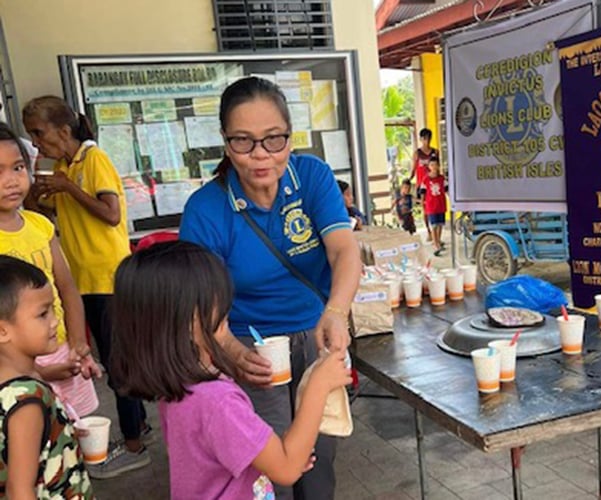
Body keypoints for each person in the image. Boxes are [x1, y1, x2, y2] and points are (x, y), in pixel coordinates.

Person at [180, 76, 361, 500]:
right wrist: (234, 351)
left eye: (273, 140)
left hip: (316, 333)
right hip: (251, 346)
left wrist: (335, 311)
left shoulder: (311, 177)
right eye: (243, 141)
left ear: (289, 138)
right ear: (226, 143)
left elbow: (343, 252)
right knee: (272, 469)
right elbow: (199, 306)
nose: (260, 155)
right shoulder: (207, 209)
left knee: (319, 455)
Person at [110, 241, 352, 500]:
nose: (226, 303)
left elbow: (227, 456)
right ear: (181, 319)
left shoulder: (180, 386)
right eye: (212, 297)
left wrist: (277, 454)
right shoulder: (218, 401)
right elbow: (287, 469)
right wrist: (318, 385)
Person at [22, 96, 151, 478]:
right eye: (30, 136)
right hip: (84, 281)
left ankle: (133, 445)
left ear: (64, 131)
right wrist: (41, 189)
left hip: (108, 278)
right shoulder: (63, 165)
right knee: (110, 358)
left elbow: (111, 215)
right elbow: (57, 217)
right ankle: (138, 426)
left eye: (39, 134)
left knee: (118, 364)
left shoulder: (93, 160)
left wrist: (67, 187)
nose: (36, 143)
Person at [0, 122, 101, 418]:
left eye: (18, 167)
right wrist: (39, 370)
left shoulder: (40, 226)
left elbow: (67, 287)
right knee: (36, 436)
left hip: (60, 347)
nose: (11, 181)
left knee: (78, 428)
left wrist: (78, 345)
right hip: (14, 367)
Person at [0, 255, 93, 498]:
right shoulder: (28, 399)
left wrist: (61, 436)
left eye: (53, 309)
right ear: (2, 330)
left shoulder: (14, 384)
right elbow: (19, 491)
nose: (55, 321)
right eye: (43, 314)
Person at [409, 128, 438, 241]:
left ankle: (436, 232)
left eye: (429, 138)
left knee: (435, 208)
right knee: (425, 209)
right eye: (424, 138)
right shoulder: (417, 153)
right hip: (422, 185)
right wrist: (409, 179)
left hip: (434, 184)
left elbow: (438, 167)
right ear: (421, 139)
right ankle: (429, 231)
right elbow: (413, 168)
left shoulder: (435, 152)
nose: (427, 141)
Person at [419, 156, 448, 256]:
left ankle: (438, 241)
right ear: (429, 166)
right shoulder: (425, 179)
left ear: (438, 166)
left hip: (441, 204)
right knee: (434, 225)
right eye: (432, 165)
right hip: (431, 206)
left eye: (436, 165)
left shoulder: (441, 178)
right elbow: (422, 192)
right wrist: (423, 203)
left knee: (440, 225)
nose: (434, 167)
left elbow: (447, 190)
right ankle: (435, 244)